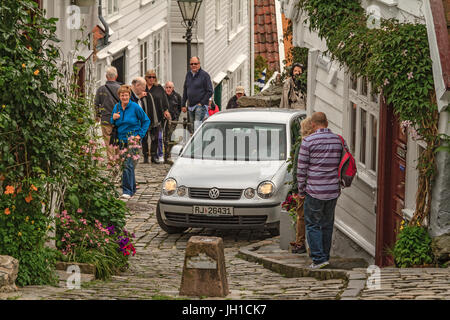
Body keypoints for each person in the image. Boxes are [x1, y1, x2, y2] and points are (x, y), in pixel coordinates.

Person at [297, 112, 347, 269]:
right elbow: (343, 163)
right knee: (327, 224)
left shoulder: (308, 142)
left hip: (314, 190)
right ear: (326, 122)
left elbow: (301, 169)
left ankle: (318, 259)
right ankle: (325, 256)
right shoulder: (339, 140)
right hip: (332, 190)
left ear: (312, 124)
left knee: (312, 224)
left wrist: (301, 190)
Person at [111, 85, 150, 199]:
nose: (124, 97)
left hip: (133, 139)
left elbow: (146, 121)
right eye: (122, 95)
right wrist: (113, 117)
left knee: (128, 164)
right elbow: (112, 122)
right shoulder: (117, 107)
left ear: (129, 96)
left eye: (126, 95)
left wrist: (139, 135)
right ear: (119, 96)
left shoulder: (135, 107)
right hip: (121, 139)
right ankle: (131, 189)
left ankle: (126, 191)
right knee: (127, 165)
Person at [290, 117, 314, 254]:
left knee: (302, 216)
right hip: (316, 187)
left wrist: (296, 188)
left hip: (304, 187)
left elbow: (297, 168)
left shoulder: (303, 145)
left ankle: (300, 243)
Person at [94, 66, 121, 159]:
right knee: (118, 140)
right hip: (119, 119)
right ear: (116, 76)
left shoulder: (101, 89)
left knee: (108, 141)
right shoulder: (121, 88)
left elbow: (96, 104)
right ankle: (118, 161)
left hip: (106, 119)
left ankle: (111, 161)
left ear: (106, 76)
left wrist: (97, 116)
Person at [145, 70, 171, 164]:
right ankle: (145, 156)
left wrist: (166, 110)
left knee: (156, 137)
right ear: (146, 77)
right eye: (149, 77)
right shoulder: (143, 87)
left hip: (157, 115)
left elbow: (164, 100)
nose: (152, 79)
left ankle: (153, 156)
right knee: (144, 137)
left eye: (153, 77)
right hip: (145, 115)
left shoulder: (158, 88)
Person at [181, 56, 213, 133]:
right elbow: (185, 89)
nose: (193, 66)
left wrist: (201, 103)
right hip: (190, 106)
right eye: (191, 64)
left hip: (200, 106)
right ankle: (196, 143)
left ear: (199, 64)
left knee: (197, 127)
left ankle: (198, 144)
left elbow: (210, 91)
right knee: (192, 127)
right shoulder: (188, 74)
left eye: (195, 63)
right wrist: (183, 104)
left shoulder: (205, 75)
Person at [131, 77, 150, 163]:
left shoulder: (137, 98)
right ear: (137, 85)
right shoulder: (130, 98)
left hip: (137, 133)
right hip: (131, 133)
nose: (144, 89)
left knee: (134, 160)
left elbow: (145, 120)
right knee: (131, 161)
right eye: (143, 87)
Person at [164, 81, 182, 164]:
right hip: (164, 119)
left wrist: (176, 115)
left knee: (170, 135)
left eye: (169, 87)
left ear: (173, 88)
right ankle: (165, 156)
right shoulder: (163, 96)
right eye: (167, 87)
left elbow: (180, 107)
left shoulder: (177, 96)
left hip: (174, 119)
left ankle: (168, 154)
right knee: (165, 136)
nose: (168, 89)